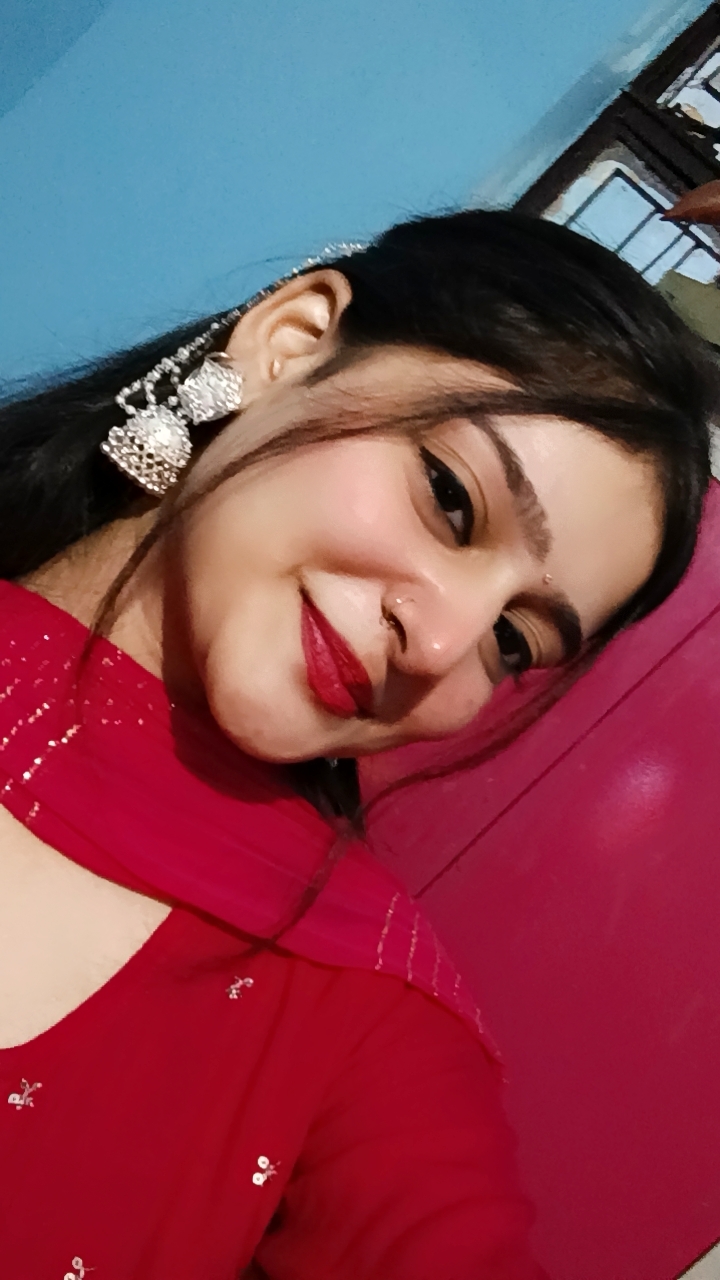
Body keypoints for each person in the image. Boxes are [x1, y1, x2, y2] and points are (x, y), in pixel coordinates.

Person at [0, 209, 714, 1280]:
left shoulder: (364, 1005)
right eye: (451, 500)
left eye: (514, 641)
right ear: (288, 342)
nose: (442, 642)